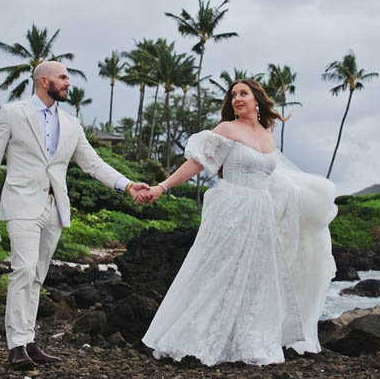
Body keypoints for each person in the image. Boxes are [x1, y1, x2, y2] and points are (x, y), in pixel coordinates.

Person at [0, 61, 151, 371]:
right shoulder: (12, 113)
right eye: (63, 77)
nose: (68, 82)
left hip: (54, 208)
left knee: (38, 275)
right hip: (21, 204)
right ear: (44, 81)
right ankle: (16, 345)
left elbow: (93, 164)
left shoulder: (71, 124)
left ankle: (28, 341)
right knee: (23, 269)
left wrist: (129, 185)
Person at [141, 78, 338, 366]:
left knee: (256, 277)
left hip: (262, 213)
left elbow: (274, 178)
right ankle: (197, 338)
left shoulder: (267, 135)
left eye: (243, 93)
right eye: (233, 95)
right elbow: (197, 162)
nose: (237, 98)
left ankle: (247, 341)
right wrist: (162, 186)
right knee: (219, 271)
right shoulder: (227, 129)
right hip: (231, 209)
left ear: (257, 99)